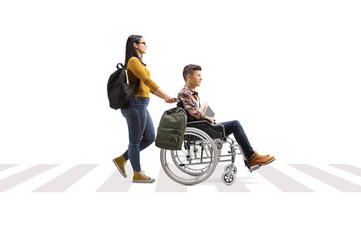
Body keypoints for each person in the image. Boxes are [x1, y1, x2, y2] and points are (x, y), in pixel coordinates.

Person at [178, 64, 276, 169]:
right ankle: (251, 157)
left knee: (233, 125)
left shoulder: (193, 94)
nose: (201, 78)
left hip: (202, 126)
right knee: (235, 124)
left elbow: (194, 112)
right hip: (199, 128)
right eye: (198, 75)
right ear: (189, 76)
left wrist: (206, 115)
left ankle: (251, 156)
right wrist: (207, 117)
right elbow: (194, 113)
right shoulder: (184, 93)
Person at [113, 35, 176, 183]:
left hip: (141, 104)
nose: (146, 45)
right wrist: (165, 95)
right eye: (143, 43)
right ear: (135, 45)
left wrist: (164, 97)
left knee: (149, 137)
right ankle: (137, 173)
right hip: (135, 104)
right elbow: (147, 81)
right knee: (135, 140)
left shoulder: (139, 62)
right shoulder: (133, 61)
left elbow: (147, 85)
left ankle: (122, 159)